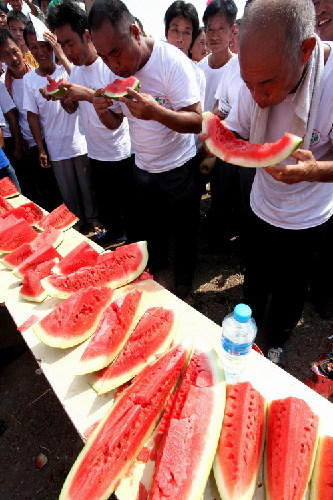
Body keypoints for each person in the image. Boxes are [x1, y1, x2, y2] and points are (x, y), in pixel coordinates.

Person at [216, 0, 333, 366]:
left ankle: (278, 340)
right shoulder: (252, 75)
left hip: (308, 217)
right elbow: (234, 128)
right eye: (249, 83)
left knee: (291, 290)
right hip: (261, 203)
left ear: (306, 50)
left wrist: (315, 171)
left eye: (267, 82)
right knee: (255, 277)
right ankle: (248, 333)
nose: (258, 96)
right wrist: (218, 139)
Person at [89, 0, 202, 298]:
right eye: (103, 57)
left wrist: (157, 113)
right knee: (152, 231)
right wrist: (103, 111)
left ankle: (185, 279)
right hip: (143, 167)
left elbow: (196, 121)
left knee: (184, 232)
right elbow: (114, 123)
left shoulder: (171, 62)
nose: (113, 65)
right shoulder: (110, 71)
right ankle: (157, 269)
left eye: (116, 52)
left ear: (135, 32)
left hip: (179, 167)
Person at [47, 0, 133, 243]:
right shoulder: (76, 71)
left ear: (86, 35)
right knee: (106, 205)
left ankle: (132, 242)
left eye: (70, 43)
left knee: (128, 207)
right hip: (94, 152)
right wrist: (63, 98)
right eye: (61, 45)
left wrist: (85, 94)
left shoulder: (108, 67)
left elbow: (116, 121)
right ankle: (114, 233)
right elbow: (74, 108)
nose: (66, 51)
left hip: (120, 153)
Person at [23, 21, 99, 231]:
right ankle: (78, 228)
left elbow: (76, 101)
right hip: (56, 147)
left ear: (52, 45)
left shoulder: (67, 70)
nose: (40, 52)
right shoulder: (29, 80)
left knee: (88, 188)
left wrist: (64, 99)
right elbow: (32, 117)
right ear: (29, 50)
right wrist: (40, 148)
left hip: (80, 140)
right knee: (69, 194)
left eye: (44, 45)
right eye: (34, 47)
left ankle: (95, 223)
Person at [0, 27, 61, 210]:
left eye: (15, 52)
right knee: (36, 191)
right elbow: (12, 116)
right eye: (6, 55)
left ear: (21, 49)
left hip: (45, 140)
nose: (13, 59)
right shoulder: (4, 83)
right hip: (26, 144)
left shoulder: (37, 75)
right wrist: (19, 144)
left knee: (54, 188)